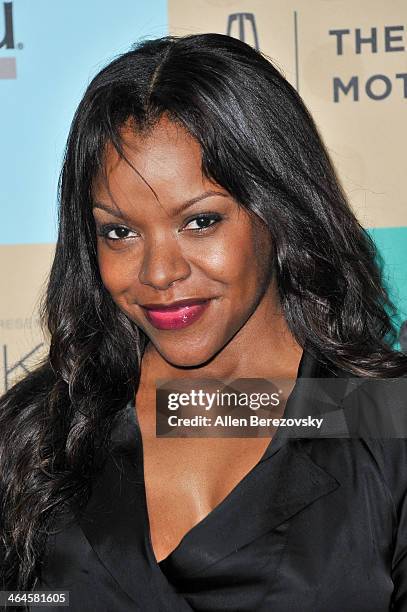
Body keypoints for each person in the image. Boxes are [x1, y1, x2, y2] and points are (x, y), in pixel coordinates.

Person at [1, 32, 407, 612]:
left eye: (200, 222)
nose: (159, 272)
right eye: (119, 232)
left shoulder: (383, 424)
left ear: (279, 208)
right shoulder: (37, 436)